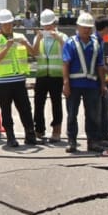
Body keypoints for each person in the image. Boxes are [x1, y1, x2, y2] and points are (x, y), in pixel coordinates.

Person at [62, 11, 107, 154]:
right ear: (78, 27)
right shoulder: (70, 43)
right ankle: (72, 141)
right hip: (74, 85)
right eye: (84, 27)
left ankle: (92, 141)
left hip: (92, 85)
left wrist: (103, 84)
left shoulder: (96, 44)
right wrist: (66, 83)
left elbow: (100, 65)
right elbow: (65, 64)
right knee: (72, 114)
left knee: (93, 115)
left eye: (89, 27)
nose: (86, 30)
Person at [0, 8, 37, 147]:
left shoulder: (20, 37)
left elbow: (34, 53)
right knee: (6, 110)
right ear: (0, 25)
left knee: (25, 108)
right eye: (4, 24)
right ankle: (10, 137)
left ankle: (30, 134)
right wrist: (6, 47)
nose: (8, 26)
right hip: (4, 82)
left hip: (19, 80)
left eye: (10, 23)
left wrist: (25, 44)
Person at [33, 9, 67, 142]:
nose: (47, 27)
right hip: (42, 74)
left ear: (54, 23)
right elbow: (34, 53)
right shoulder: (39, 37)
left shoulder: (62, 36)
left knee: (56, 103)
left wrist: (58, 39)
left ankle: (56, 130)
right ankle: (39, 129)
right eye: (45, 25)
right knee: (38, 103)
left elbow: (69, 51)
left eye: (49, 25)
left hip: (56, 75)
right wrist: (38, 39)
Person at [94, 16, 108, 146]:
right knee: (99, 109)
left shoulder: (99, 40)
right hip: (97, 80)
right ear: (107, 28)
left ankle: (105, 134)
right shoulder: (96, 41)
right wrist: (103, 83)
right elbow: (99, 65)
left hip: (99, 79)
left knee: (105, 107)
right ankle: (100, 136)